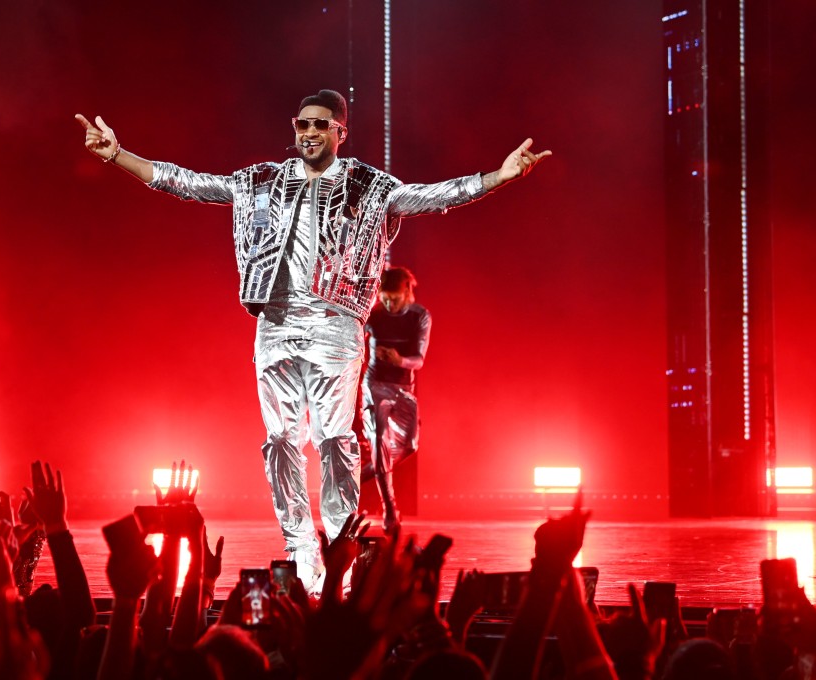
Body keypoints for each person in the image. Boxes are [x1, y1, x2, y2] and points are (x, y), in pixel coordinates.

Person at [76, 88, 550, 590]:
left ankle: (340, 552)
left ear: (341, 132)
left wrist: (498, 177)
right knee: (280, 441)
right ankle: (302, 553)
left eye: (320, 125)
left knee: (333, 440)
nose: (308, 133)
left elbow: (433, 197)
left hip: (335, 326)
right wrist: (118, 155)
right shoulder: (263, 182)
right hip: (275, 324)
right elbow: (189, 183)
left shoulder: (368, 187)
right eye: (302, 124)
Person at [361, 266, 429, 532]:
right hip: (375, 385)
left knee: (410, 446)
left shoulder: (419, 316)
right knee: (380, 440)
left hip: (404, 388)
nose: (389, 304)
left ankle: (365, 473)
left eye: (395, 299)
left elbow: (419, 360)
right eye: (385, 299)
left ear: (408, 292)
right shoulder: (374, 315)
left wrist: (399, 360)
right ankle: (390, 509)